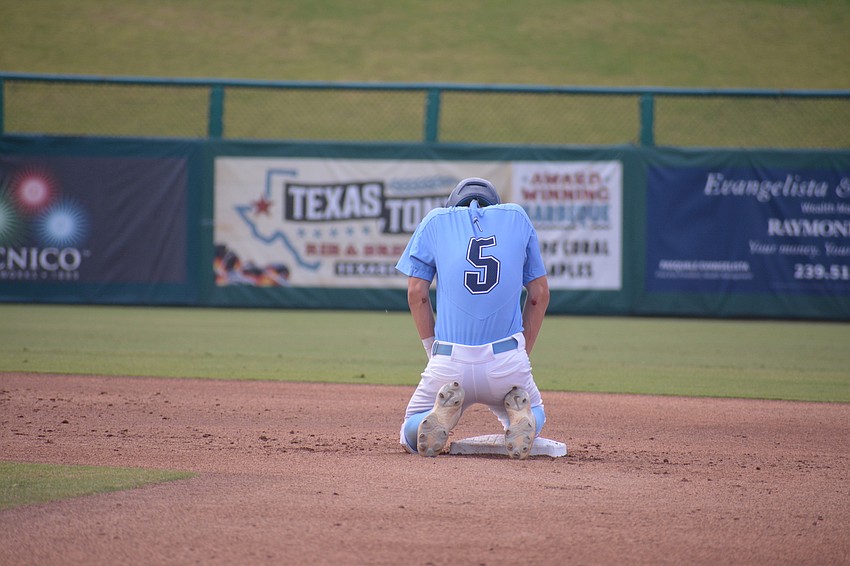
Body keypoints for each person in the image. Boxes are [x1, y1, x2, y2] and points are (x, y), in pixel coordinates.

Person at [395, 177, 550, 459]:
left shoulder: (435, 221)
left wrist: (433, 352)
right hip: (506, 358)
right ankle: (523, 417)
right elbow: (539, 296)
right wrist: (519, 354)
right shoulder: (516, 217)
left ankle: (436, 417)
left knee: (410, 431)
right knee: (535, 412)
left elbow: (417, 294)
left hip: (449, 359)